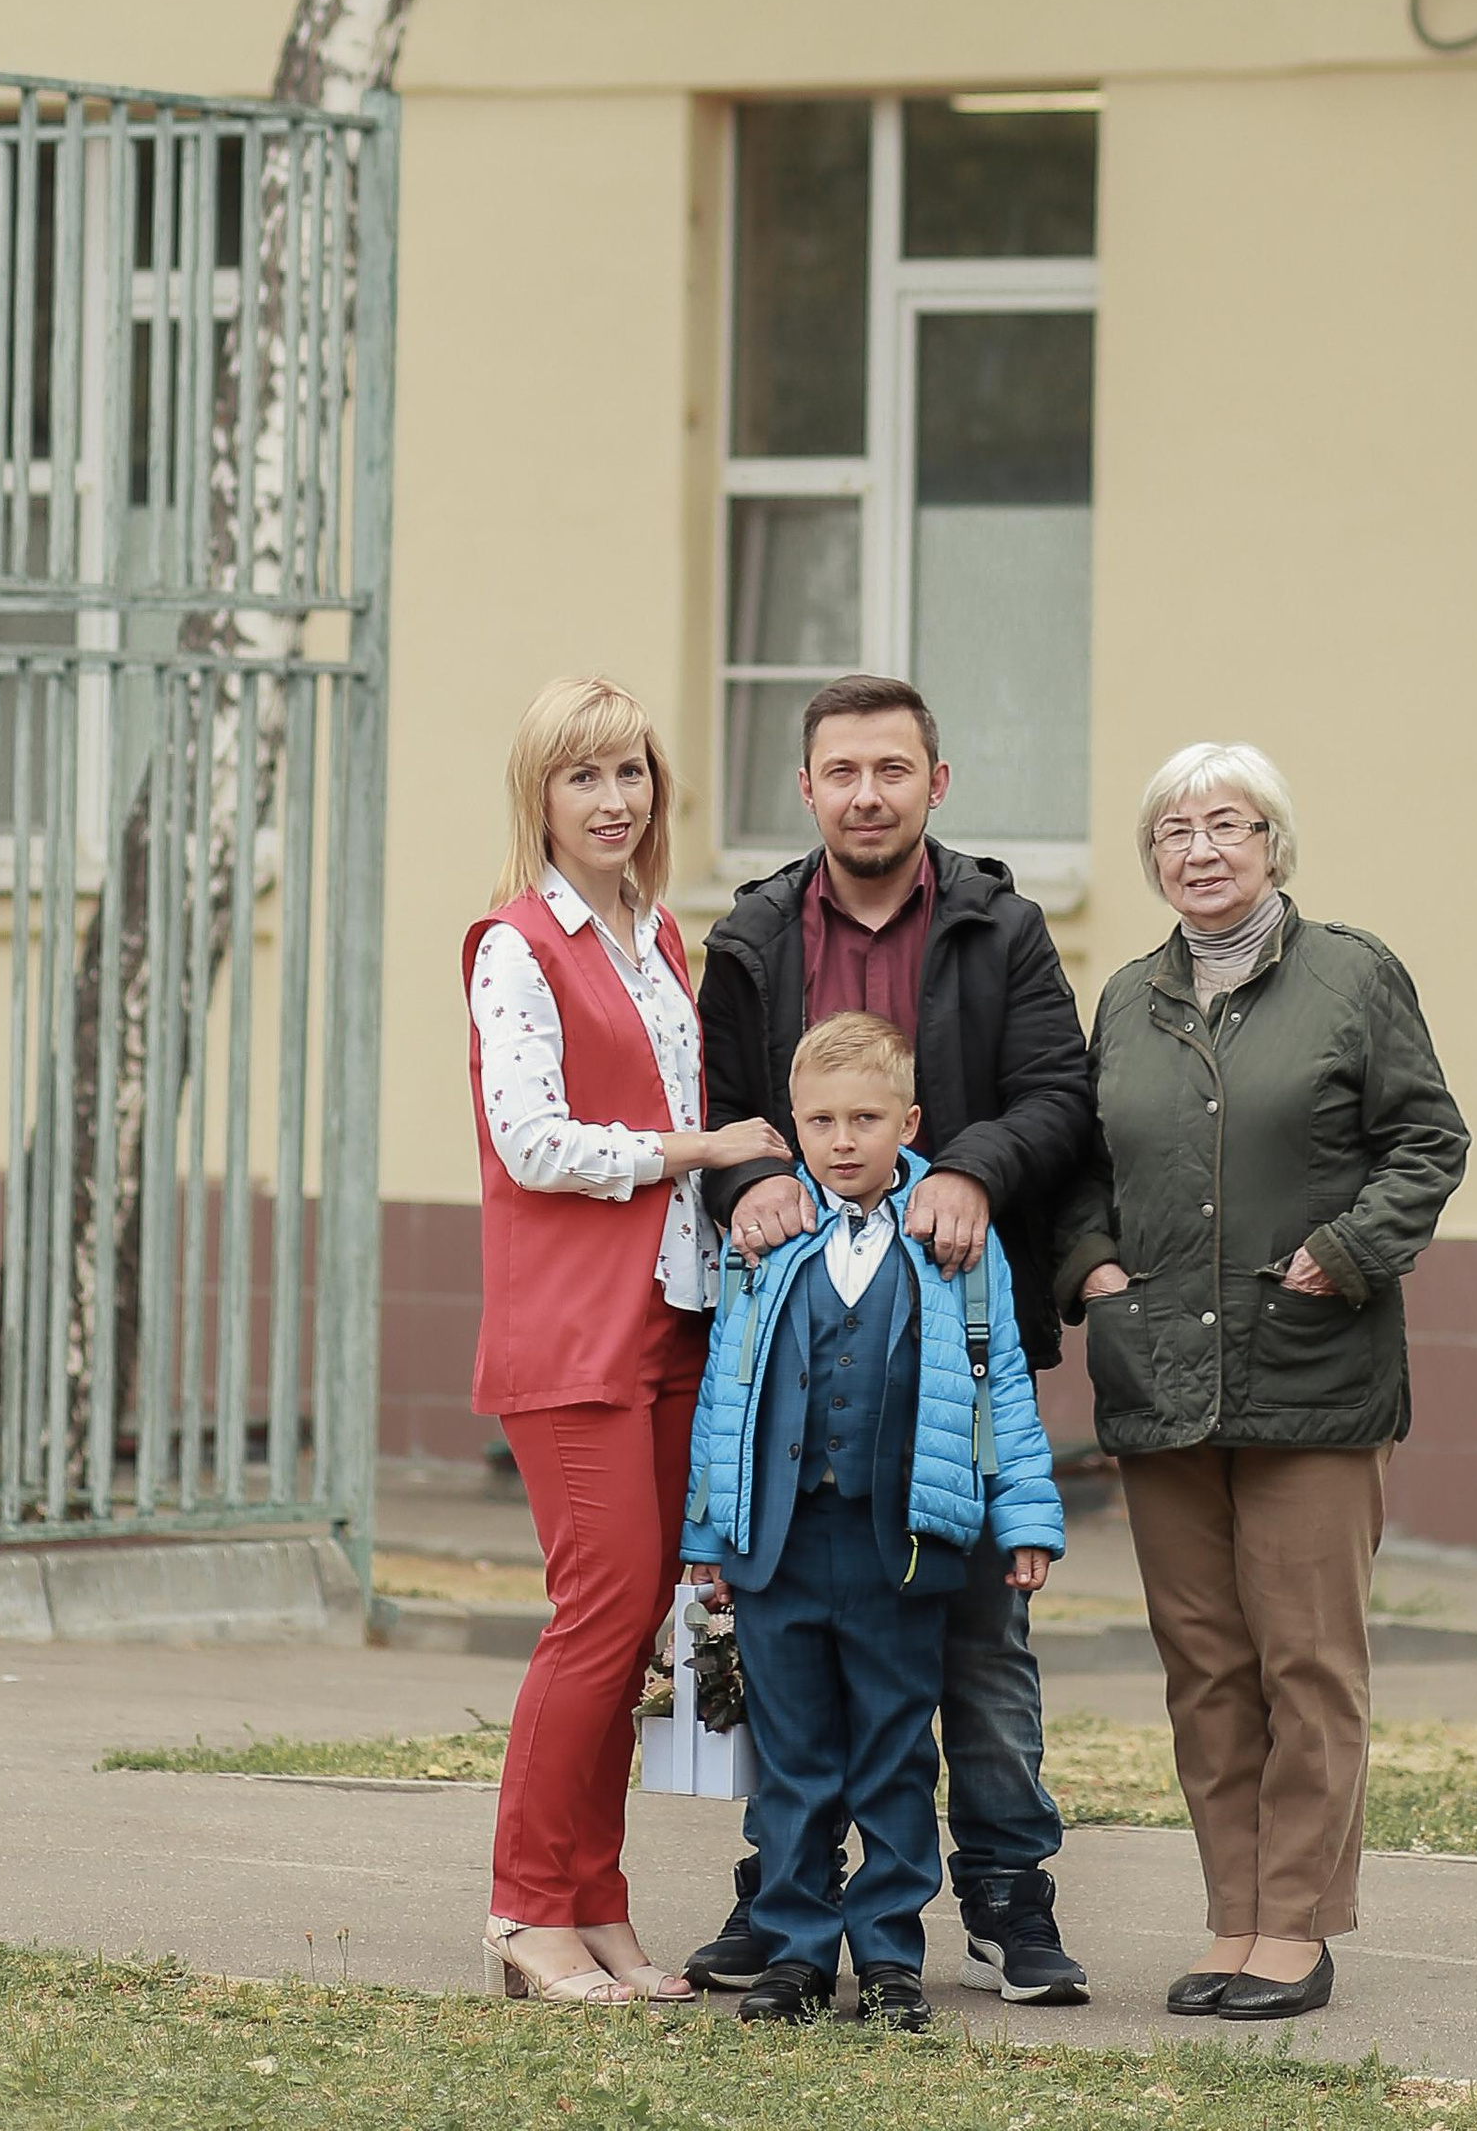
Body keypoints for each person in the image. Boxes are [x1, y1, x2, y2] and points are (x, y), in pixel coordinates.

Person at [688, 669, 1097, 2005]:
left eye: (893, 770)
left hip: (956, 1345)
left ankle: (1004, 1892)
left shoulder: (1000, 926)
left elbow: (1058, 1093)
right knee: (795, 1672)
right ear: (804, 789)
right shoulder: (752, 936)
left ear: (937, 783)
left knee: (976, 1654)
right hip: (803, 1327)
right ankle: (786, 1902)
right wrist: (744, 1178)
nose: (869, 793)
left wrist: (970, 1166)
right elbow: (723, 1106)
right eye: (843, 771)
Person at [1053, 742, 1468, 2022]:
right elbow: (1084, 1171)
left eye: (1227, 824)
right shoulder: (1126, 997)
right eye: (1173, 832)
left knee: (1306, 1661)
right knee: (1204, 1666)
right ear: (1152, 861)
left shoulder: (1353, 975)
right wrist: (1093, 1269)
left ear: (1273, 845)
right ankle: (1228, 1916)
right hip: (1163, 1377)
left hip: (1312, 1371)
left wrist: (1345, 1252)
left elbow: (1426, 1140)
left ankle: (1294, 1925)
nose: (1200, 850)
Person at [464, 674, 794, 2007]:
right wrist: (697, 1148)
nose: (612, 800)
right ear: (539, 796)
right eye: (582, 776)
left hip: (671, 1320)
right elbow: (531, 1139)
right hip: (571, 1332)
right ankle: (524, 1912)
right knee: (594, 1619)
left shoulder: (657, 938)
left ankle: (593, 1903)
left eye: (632, 774)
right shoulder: (512, 943)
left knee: (637, 1624)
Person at [680, 1012, 1067, 2031]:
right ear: (793, 1132)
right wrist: (708, 1538)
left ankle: (891, 1957)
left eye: (864, 1118)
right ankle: (798, 1951)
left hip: (902, 1550)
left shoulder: (956, 1246)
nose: (843, 1140)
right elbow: (727, 1393)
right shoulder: (765, 1242)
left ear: (910, 1120)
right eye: (819, 1121)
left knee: (896, 1756)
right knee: (795, 1759)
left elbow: (1001, 1395)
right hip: (780, 1546)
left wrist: (1023, 1515)